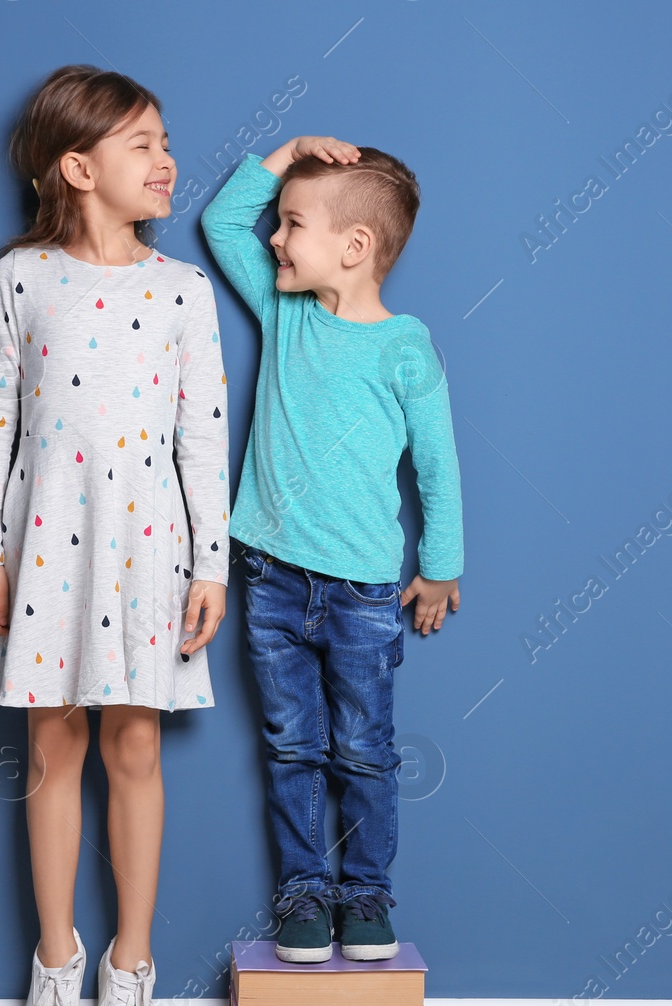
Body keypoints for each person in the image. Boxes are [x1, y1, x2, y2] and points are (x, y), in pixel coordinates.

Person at [0, 64, 230, 1006]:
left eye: (165, 141)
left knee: (134, 751)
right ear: (77, 167)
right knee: (53, 750)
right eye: (142, 144)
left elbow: (203, 436)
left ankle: (130, 975)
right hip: (42, 546)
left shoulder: (182, 289)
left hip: (148, 548)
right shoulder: (19, 277)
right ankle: (54, 969)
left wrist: (213, 562)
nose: (166, 161)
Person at [201, 136, 463, 963]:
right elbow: (220, 219)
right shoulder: (285, 310)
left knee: (363, 750)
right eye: (279, 225)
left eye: (293, 225)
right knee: (291, 746)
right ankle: (304, 892)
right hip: (271, 578)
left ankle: (367, 894)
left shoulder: (404, 345)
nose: (274, 239)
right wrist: (286, 154)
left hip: (363, 594)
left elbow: (437, 462)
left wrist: (441, 565)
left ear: (354, 248)